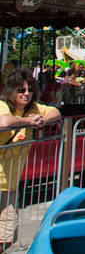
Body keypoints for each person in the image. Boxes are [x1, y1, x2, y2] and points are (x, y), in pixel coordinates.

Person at [0, 67, 61, 244]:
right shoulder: (3, 105)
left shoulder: (33, 108)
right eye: (21, 90)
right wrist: (28, 122)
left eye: (30, 90)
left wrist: (42, 120)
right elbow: (4, 122)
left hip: (10, 184)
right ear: (11, 90)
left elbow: (55, 112)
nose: (26, 94)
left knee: (7, 234)